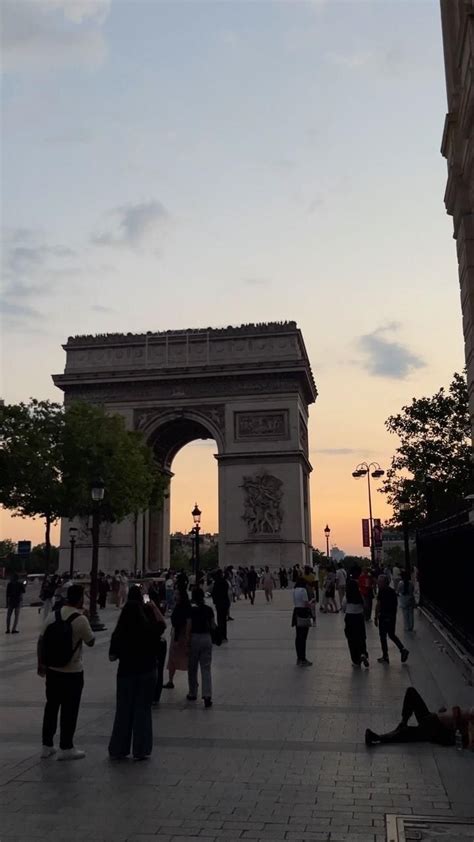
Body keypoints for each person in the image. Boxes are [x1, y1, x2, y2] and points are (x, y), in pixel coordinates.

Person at [38, 584, 95, 760]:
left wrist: (41, 665)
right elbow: (91, 641)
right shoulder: (80, 619)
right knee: (70, 709)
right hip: (72, 672)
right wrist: (87, 618)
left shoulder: (52, 615)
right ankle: (66, 746)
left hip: (53, 671)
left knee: (51, 707)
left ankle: (47, 745)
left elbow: (41, 641)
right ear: (79, 599)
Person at [108, 594, 162, 760]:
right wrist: (152, 606)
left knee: (123, 711)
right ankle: (141, 749)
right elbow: (162, 624)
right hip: (147, 672)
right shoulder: (149, 628)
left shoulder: (119, 632)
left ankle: (119, 749)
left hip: (126, 673)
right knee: (143, 711)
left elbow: (112, 657)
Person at [365, 687, 474, 748]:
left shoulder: (470, 722)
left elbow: (466, 738)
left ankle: (377, 738)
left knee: (406, 734)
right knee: (411, 691)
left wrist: (455, 720)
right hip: (432, 718)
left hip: (435, 730)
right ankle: (403, 722)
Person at [187, 588, 215, 708]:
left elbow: (188, 626)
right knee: (206, 668)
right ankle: (207, 695)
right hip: (206, 638)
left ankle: (193, 692)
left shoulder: (191, 611)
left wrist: (187, 642)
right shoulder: (209, 610)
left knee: (192, 667)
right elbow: (213, 625)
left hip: (194, 638)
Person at [375, 575, 409, 664]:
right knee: (391, 634)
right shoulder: (392, 591)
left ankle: (385, 656)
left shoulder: (382, 591)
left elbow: (378, 604)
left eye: (379, 581)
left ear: (383, 582)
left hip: (384, 616)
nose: (378, 583)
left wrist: (375, 617)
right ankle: (402, 649)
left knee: (383, 637)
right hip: (391, 616)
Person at [163, 588, 191, 689]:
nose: (175, 596)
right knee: (173, 659)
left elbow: (185, 623)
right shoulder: (179, 606)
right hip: (177, 634)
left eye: (177, 594)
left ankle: (191, 683)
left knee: (184, 659)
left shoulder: (184, 607)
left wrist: (183, 638)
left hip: (181, 636)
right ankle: (170, 680)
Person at [343, 568, 369, 668]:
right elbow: (365, 605)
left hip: (349, 617)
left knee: (351, 639)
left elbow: (344, 607)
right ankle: (363, 653)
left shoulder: (347, 597)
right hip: (359, 617)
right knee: (361, 637)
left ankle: (356, 660)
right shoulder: (360, 595)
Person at [292, 577, 312, 666]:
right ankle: (303, 659)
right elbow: (306, 603)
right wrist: (311, 602)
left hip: (296, 611)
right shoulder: (303, 590)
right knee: (303, 637)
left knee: (298, 636)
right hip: (303, 612)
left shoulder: (295, 590)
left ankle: (299, 658)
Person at [211, 569, 230, 641]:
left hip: (219, 603)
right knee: (224, 620)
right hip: (225, 603)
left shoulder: (217, 582)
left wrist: (215, 601)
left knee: (220, 620)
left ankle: (221, 635)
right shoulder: (225, 582)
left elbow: (214, 593)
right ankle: (224, 635)